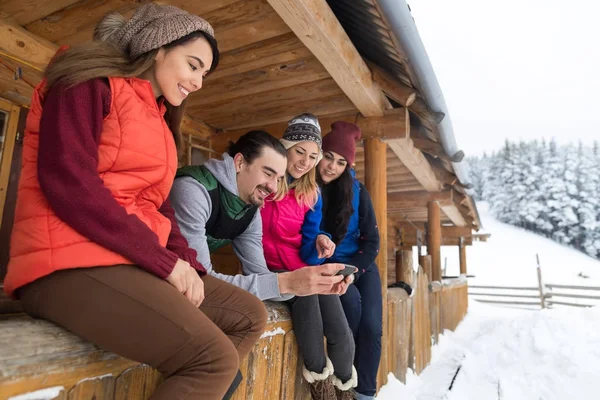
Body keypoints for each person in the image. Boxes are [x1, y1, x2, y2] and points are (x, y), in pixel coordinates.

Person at [3, 4, 267, 399]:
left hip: (125, 260)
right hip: (67, 264)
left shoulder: (159, 120)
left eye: (204, 74)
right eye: (193, 65)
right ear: (158, 47)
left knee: (249, 316)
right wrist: (164, 263)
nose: (198, 82)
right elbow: (69, 184)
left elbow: (159, 207)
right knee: (212, 359)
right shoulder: (87, 81)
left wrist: (188, 264)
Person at [170, 129, 349, 301]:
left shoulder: (249, 211)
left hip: (188, 282)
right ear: (239, 162)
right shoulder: (194, 190)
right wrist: (286, 282)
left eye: (279, 179)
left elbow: (261, 277)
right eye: (267, 173)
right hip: (154, 274)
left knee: (255, 314)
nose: (273, 187)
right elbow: (204, 280)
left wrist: (315, 284)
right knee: (251, 316)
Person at [261, 114, 357, 400]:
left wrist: (319, 244)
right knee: (311, 316)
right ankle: (322, 389)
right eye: (299, 151)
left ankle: (345, 390)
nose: (305, 161)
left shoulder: (311, 193)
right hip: (277, 273)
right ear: (285, 148)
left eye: (312, 156)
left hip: (303, 267)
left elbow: (306, 245)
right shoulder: (266, 184)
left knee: (340, 332)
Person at [317, 122, 382, 400]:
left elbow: (372, 241)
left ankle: (365, 394)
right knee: (352, 309)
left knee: (372, 327)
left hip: (360, 265)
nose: (332, 166)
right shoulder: (308, 187)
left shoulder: (358, 192)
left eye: (341, 162)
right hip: (327, 266)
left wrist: (354, 272)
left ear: (348, 166)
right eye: (328, 156)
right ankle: (345, 385)